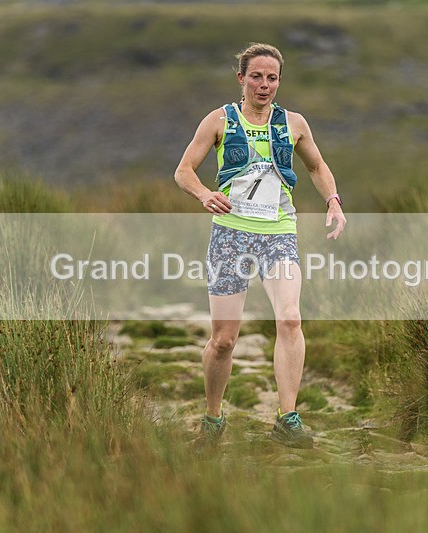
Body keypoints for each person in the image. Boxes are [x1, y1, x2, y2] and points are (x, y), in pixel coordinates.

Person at [174, 42, 346, 450]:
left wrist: (333, 201)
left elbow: (317, 166)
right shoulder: (219, 120)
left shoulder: (295, 123)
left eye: (272, 78)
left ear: (279, 82)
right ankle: (213, 419)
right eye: (256, 76)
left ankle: (287, 419)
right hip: (230, 234)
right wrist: (203, 194)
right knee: (224, 340)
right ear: (241, 78)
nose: (264, 85)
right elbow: (183, 171)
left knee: (290, 319)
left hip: (279, 233)